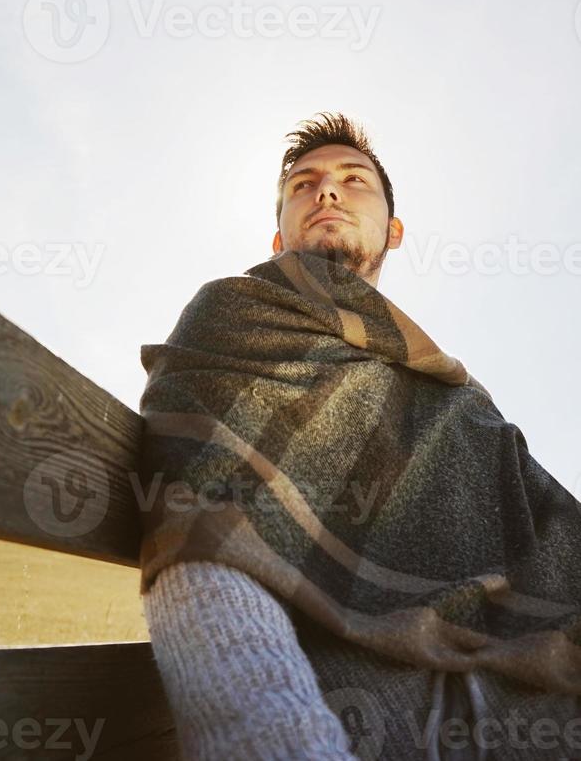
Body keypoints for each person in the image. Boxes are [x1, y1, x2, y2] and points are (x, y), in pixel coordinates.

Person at [140, 112, 581, 760]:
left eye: (354, 180)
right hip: (368, 714)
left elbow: (550, 538)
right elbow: (202, 540)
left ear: (393, 230)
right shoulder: (236, 320)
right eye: (304, 184)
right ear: (277, 233)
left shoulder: (454, 396)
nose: (326, 192)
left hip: (536, 705)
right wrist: (279, 740)